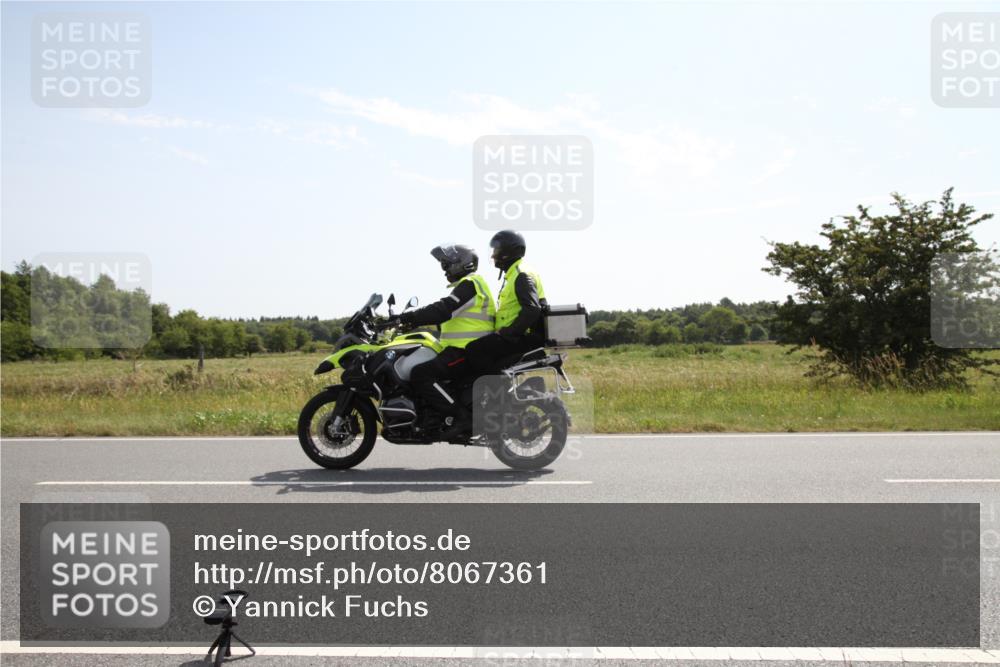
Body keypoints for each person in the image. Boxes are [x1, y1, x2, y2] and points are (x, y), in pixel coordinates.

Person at [398, 244, 495, 437]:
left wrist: (409, 317)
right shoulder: (468, 285)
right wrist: (411, 323)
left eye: (447, 265)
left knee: (421, 374)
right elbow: (446, 315)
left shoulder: (470, 284)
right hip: (462, 349)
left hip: (466, 351)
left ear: (462, 264)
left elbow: (443, 309)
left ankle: (462, 418)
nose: (444, 270)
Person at [464, 230, 548, 376]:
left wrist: (507, 332)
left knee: (474, 349)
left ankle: (494, 391)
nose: (493, 255)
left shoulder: (521, 274)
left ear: (507, 252)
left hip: (522, 337)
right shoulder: (518, 273)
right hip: (523, 336)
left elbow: (532, 309)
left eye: (496, 250)